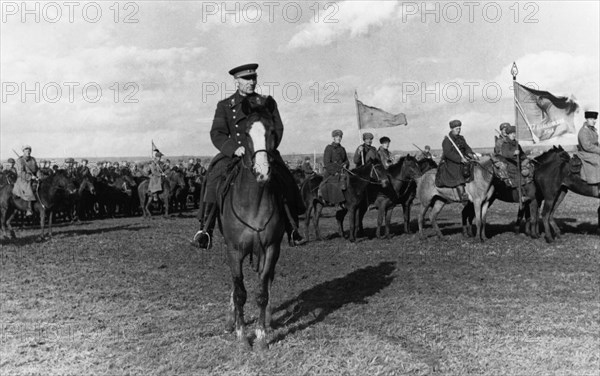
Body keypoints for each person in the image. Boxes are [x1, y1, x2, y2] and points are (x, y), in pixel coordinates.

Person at [194, 63, 306, 248]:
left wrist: (266, 148)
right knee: (214, 176)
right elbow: (217, 133)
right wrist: (232, 148)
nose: (251, 81)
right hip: (235, 154)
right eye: (246, 78)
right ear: (236, 81)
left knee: (285, 178)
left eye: (253, 77)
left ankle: (292, 227)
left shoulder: (267, 102)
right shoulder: (225, 105)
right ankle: (206, 229)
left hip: (263, 151)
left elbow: (277, 128)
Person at [436, 120, 477, 202]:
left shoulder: (461, 138)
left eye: (459, 128)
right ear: (451, 129)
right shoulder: (447, 140)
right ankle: (463, 195)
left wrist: (470, 153)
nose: (458, 130)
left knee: (474, 166)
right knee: (457, 171)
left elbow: (467, 147)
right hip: (452, 162)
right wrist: (460, 159)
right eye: (456, 129)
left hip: (463, 159)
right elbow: (448, 153)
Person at [12, 145, 40, 216]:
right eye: (26, 151)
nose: (28, 152)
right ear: (23, 151)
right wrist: (31, 177)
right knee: (29, 190)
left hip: (34, 178)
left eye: (29, 150)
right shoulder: (19, 160)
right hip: (23, 179)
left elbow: (37, 169)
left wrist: (39, 176)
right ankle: (29, 209)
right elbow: (20, 173)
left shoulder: (33, 159)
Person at [576, 110, 600, 184]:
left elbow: (596, 143)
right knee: (598, 160)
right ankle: (598, 183)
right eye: (591, 119)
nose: (593, 121)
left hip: (591, 152)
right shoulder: (583, 131)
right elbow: (587, 146)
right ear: (586, 119)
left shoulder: (592, 130)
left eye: (594, 119)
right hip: (585, 153)